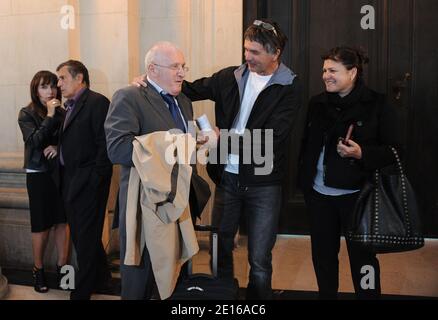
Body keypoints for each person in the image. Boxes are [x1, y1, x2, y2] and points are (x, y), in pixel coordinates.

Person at [134, 19, 302, 299]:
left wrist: (222, 138)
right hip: (227, 179)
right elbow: (188, 88)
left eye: (255, 52)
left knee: (260, 260)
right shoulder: (230, 77)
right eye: (246, 49)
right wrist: (149, 81)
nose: (248, 56)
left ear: (275, 53)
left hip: (264, 183)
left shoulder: (289, 87)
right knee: (221, 248)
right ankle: (227, 298)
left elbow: (272, 138)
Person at [105, 42, 211, 300]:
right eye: (175, 66)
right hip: (146, 209)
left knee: (176, 279)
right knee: (142, 283)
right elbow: (117, 149)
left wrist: (197, 142)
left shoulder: (184, 101)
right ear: (152, 70)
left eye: (183, 66)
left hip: (180, 203)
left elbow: (185, 150)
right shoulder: (129, 96)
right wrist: (174, 144)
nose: (182, 73)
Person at [298, 46, 405, 299]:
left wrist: (362, 154)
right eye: (324, 70)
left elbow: (395, 151)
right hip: (319, 196)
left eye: (333, 70)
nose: (326, 75)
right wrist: (304, 183)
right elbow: (306, 146)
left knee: (363, 261)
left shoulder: (377, 104)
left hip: (358, 196)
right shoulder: (317, 103)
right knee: (323, 257)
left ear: (353, 72)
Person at [56, 60, 113, 300]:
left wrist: (95, 180)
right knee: (83, 235)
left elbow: (104, 144)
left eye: (62, 78)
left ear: (80, 78)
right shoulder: (67, 106)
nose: (58, 84)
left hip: (89, 182)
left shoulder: (97, 102)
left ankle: (82, 291)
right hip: (71, 181)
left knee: (86, 238)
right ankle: (102, 277)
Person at [17, 70, 69, 293]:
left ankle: (63, 270)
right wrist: (49, 116)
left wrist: (59, 147)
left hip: (60, 172)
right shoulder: (26, 113)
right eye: (43, 87)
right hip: (38, 174)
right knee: (41, 224)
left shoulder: (64, 111)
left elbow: (71, 139)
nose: (50, 91)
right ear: (35, 90)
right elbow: (34, 142)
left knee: (62, 222)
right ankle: (38, 270)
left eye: (52, 86)